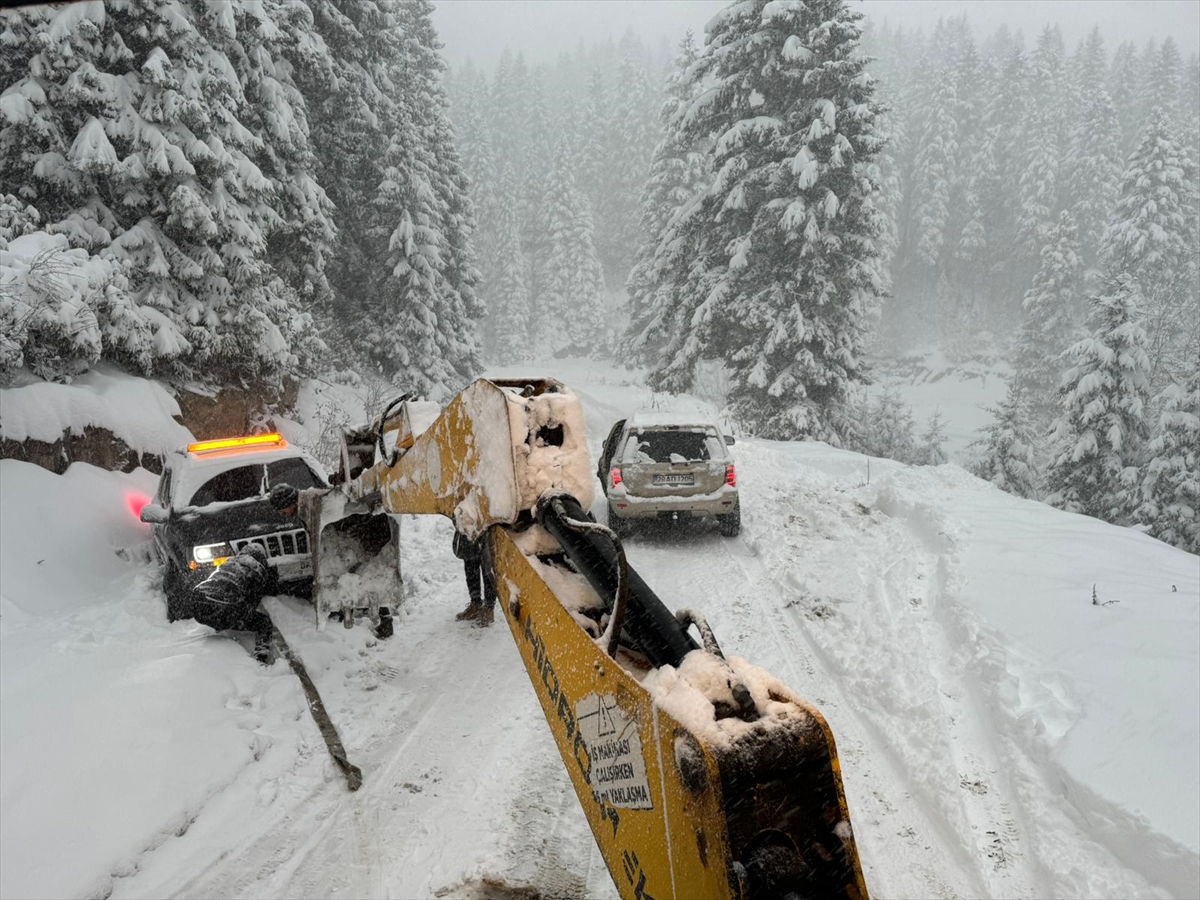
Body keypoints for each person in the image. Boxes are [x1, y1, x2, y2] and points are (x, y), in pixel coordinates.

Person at [188, 543, 276, 664]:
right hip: (227, 603)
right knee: (264, 623)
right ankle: (262, 657)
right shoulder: (257, 570)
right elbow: (252, 601)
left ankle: (219, 621)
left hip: (199, 600)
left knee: (224, 614)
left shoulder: (228, 563)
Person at [452, 527, 497, 626]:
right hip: (468, 519)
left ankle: (489, 608)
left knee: (488, 563)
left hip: (486, 521)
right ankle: (475, 603)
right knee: (469, 558)